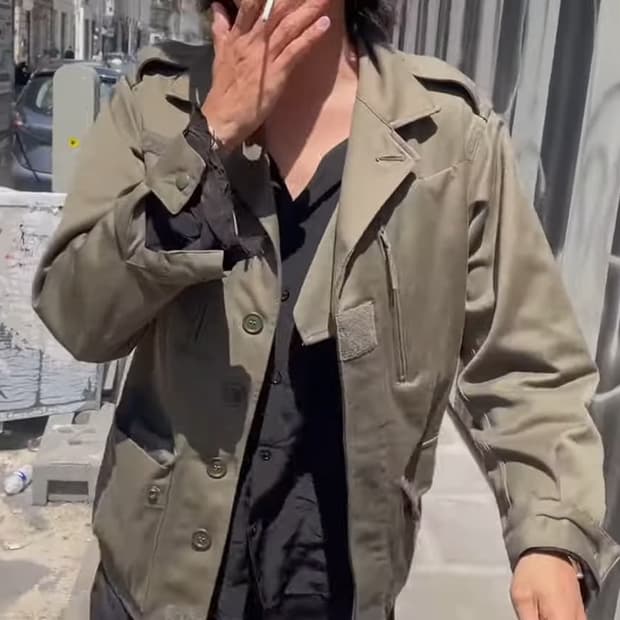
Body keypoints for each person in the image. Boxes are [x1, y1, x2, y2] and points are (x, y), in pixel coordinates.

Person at [33, 1, 620, 619]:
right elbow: (77, 316)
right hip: (155, 585)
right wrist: (211, 134)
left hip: (336, 586)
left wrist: (550, 535)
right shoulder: (155, 104)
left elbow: (528, 366)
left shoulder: (447, 135)